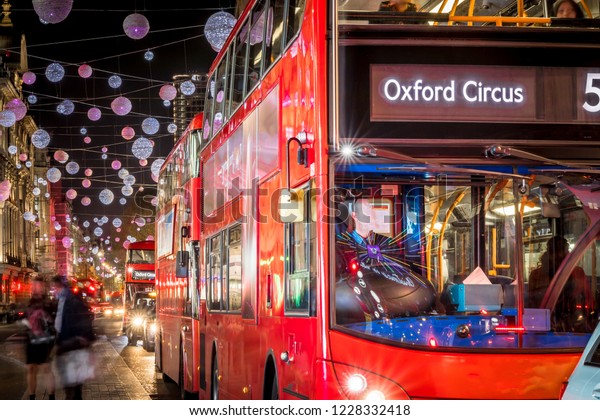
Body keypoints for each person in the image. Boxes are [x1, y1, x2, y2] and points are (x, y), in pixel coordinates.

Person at [528, 236, 592, 330]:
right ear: (560, 253)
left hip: (544, 322)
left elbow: (531, 301)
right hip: (568, 323)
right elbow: (588, 298)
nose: (568, 253)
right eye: (566, 250)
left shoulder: (535, 275)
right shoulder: (577, 273)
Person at [51, 275, 96, 400]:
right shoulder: (61, 300)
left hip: (72, 343)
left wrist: (84, 337)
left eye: (55, 287)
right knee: (71, 381)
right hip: (66, 343)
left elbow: (82, 318)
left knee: (73, 382)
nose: (54, 290)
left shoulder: (71, 299)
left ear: (59, 286)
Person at [23, 276, 56, 400]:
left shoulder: (49, 304)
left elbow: (54, 324)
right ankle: (32, 398)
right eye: (35, 285)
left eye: (39, 286)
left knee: (46, 368)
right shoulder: (29, 303)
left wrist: (53, 343)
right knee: (31, 368)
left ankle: (51, 398)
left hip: (45, 341)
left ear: (43, 288)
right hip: (31, 342)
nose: (37, 288)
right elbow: (24, 322)